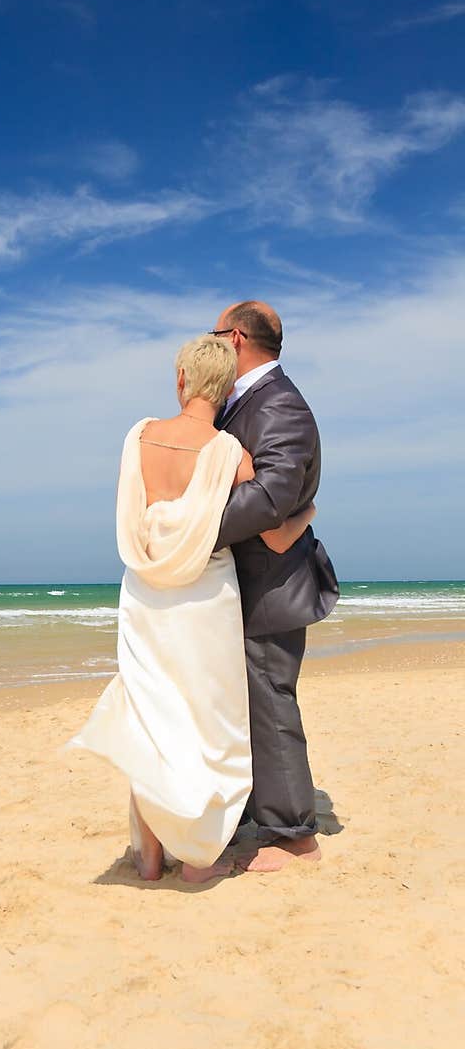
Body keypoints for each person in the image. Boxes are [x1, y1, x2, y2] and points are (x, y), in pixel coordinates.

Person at [68, 335, 315, 884]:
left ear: (181, 379)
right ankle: (200, 857)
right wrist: (308, 511)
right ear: (226, 388)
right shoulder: (230, 453)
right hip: (206, 599)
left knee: (151, 717)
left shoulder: (139, 437)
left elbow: (134, 508)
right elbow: (274, 527)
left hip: (147, 594)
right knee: (207, 720)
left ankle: (151, 856)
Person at [211, 301, 339, 872]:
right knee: (245, 703)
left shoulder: (279, 403)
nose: (210, 342)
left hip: (270, 585)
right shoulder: (243, 404)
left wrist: (192, 520)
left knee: (269, 702)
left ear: (235, 338)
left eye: (214, 333)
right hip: (247, 582)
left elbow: (272, 497)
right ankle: (255, 815)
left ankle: (295, 839)